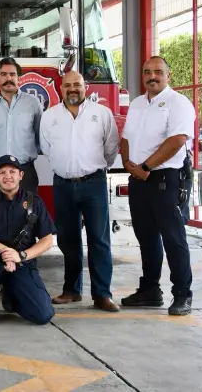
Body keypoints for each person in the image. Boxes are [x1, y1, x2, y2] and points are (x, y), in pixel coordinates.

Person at [120, 56, 195, 316]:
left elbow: (176, 140)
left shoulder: (178, 103)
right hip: (139, 180)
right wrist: (128, 164)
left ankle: (182, 294)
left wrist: (146, 167)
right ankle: (150, 290)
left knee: (174, 239)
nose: (152, 76)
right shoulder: (138, 103)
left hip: (166, 179)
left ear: (168, 75)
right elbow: (126, 137)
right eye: (147, 72)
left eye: (158, 72)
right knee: (147, 238)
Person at [40, 71, 120, 311]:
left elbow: (111, 147)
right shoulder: (49, 116)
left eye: (77, 84)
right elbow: (46, 147)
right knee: (67, 239)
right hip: (62, 184)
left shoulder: (101, 114)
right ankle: (72, 290)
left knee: (99, 239)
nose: (72, 89)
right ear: (60, 88)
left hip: (93, 183)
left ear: (86, 87)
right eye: (67, 85)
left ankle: (102, 294)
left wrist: (91, 168)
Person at [0, 155, 56, 327]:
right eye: (2, 172)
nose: (8, 176)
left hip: (22, 264)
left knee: (43, 315)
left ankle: (12, 295)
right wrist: (4, 251)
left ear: (21, 175)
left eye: (13, 171)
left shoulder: (33, 202)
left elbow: (47, 240)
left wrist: (20, 256)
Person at [0, 58, 43, 196]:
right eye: (3, 74)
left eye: (12, 74)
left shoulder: (33, 103)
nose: (8, 78)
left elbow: (39, 136)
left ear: (18, 78)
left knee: (29, 215)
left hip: (25, 172)